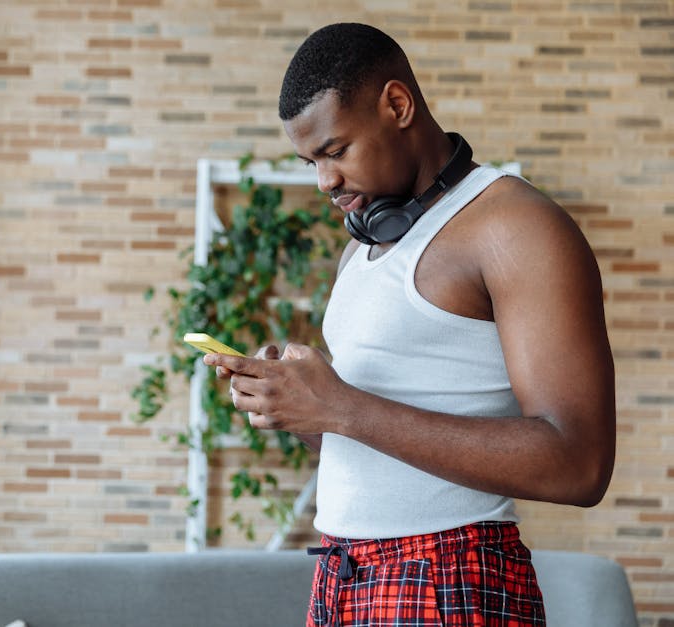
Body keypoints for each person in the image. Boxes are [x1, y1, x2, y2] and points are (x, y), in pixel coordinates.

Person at [203, 22, 616, 627]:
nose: (324, 182)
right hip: (341, 577)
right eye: (309, 161)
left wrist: (342, 408)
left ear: (397, 105)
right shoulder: (364, 247)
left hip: (450, 577)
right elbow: (376, 442)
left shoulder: (516, 227)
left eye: (335, 151)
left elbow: (579, 464)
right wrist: (299, 409)